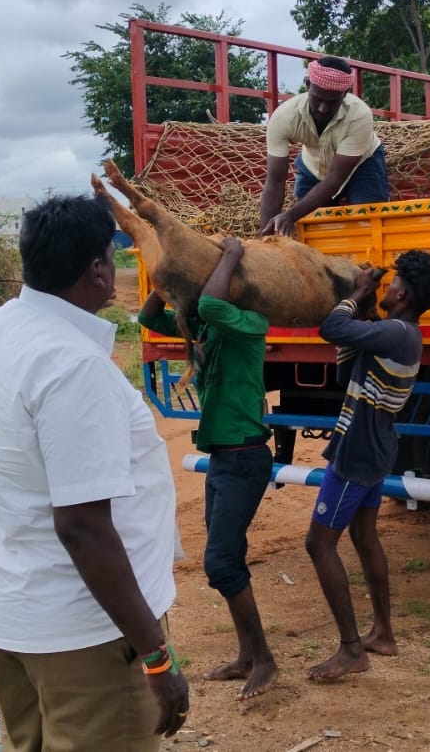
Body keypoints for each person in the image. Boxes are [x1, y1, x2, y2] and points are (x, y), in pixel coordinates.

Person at [0, 193, 189, 750]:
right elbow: (82, 525)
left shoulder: (0, 326)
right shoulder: (73, 365)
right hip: (82, 635)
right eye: (114, 256)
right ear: (98, 271)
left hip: (7, 612)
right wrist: (156, 656)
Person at [303, 250, 430, 680]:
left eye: (392, 285)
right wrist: (364, 312)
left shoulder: (399, 333)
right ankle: (383, 633)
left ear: (402, 293)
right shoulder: (397, 332)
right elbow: (344, 365)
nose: (387, 288)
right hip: (372, 446)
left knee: (318, 544)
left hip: (356, 454)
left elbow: (330, 327)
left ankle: (352, 650)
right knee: (364, 536)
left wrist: (356, 294)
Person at [138, 237, 278, 700]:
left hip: (246, 457)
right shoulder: (210, 325)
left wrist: (232, 255)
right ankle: (247, 655)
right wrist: (168, 272)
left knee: (220, 562)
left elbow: (215, 305)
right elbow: (148, 318)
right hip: (224, 456)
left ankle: (264, 660)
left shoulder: (251, 322)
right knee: (227, 560)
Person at [259, 56, 390, 238]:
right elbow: (275, 180)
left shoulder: (359, 115)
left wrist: (291, 215)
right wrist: (264, 236)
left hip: (362, 165)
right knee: (312, 229)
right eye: (318, 99)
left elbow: (335, 178)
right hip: (313, 166)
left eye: (332, 102)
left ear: (345, 94)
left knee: (368, 224)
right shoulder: (284, 117)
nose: (322, 109)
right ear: (307, 85)